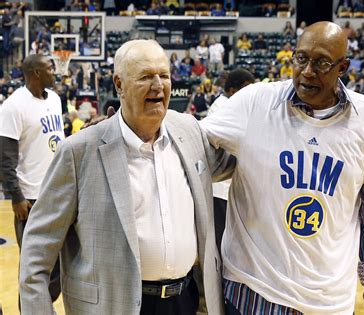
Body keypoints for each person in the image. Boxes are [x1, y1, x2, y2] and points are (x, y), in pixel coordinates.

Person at [201, 21, 364, 315]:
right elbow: (190, 140)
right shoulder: (255, 102)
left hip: (330, 299)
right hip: (254, 290)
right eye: (301, 59)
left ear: (342, 67)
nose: (308, 71)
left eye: (321, 63)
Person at [19, 40, 230, 315]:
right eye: (145, 76)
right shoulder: (79, 152)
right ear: (119, 84)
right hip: (112, 306)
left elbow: (234, 163)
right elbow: (36, 253)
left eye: (164, 75)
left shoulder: (189, 131)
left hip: (184, 301)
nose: (158, 85)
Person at [0, 54, 64, 308]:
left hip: (58, 192)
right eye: (50, 68)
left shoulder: (56, 99)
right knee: (34, 270)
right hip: (30, 199)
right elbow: (5, 159)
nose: (55, 72)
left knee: (58, 269)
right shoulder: (13, 107)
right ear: (36, 73)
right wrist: (15, 196)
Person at [207, 68, 255, 251]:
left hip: (231, 185)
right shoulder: (223, 108)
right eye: (246, 88)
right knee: (222, 242)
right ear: (233, 90)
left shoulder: (232, 106)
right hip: (220, 188)